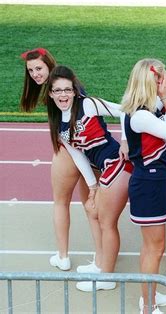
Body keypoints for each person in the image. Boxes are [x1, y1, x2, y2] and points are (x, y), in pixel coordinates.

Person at [45, 65, 135, 293]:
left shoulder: (88, 104)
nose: (63, 95)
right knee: (95, 212)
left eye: (67, 89)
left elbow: (125, 111)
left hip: (116, 162)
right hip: (101, 168)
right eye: (58, 91)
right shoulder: (59, 124)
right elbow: (78, 156)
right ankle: (100, 265)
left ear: (75, 91)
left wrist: (125, 141)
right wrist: (92, 188)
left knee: (106, 221)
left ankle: (107, 276)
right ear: (51, 94)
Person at [20, 48, 105, 272]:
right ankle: (100, 259)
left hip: (73, 151)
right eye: (31, 71)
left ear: (49, 65)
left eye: (39, 68)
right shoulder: (67, 85)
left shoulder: (57, 90)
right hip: (88, 150)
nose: (35, 74)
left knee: (62, 202)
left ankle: (64, 256)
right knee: (92, 207)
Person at [121, 58, 166, 313]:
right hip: (147, 185)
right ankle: (147, 306)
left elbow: (158, 149)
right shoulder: (141, 116)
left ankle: (149, 295)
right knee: (154, 247)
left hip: (155, 180)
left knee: (154, 246)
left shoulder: (148, 111)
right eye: (161, 78)